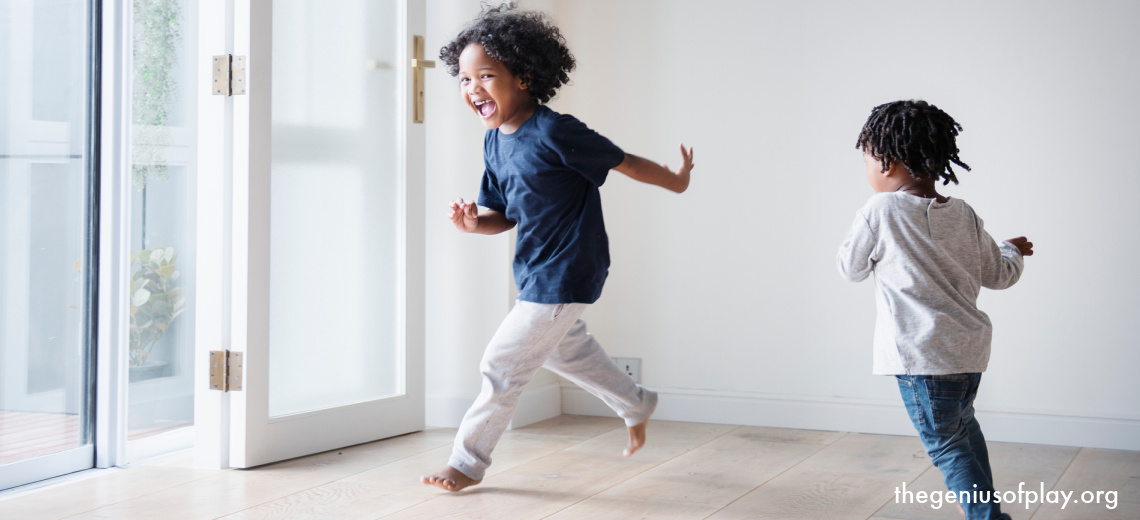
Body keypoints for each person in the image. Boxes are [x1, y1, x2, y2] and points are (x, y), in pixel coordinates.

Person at [422, 3, 694, 492]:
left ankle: (465, 462)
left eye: (485, 75)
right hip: (535, 271)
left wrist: (674, 182)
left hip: (569, 268)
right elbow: (503, 216)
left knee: (500, 365)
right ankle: (635, 402)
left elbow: (623, 161)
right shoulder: (493, 142)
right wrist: (471, 223)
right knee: (565, 352)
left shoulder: (554, 131)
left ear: (524, 77)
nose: (472, 88)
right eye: (464, 79)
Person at [838, 99, 1032, 519]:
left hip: (922, 359)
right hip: (969, 353)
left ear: (887, 162)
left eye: (868, 158)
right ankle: (989, 509)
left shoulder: (879, 210)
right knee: (963, 429)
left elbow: (850, 268)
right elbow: (999, 274)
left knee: (947, 446)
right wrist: (1012, 252)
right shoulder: (963, 214)